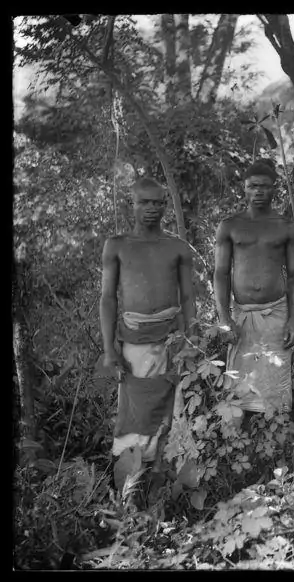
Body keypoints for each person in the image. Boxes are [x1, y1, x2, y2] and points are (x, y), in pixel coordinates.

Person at [100, 177, 196, 486]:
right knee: (136, 417)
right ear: (133, 204)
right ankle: (132, 488)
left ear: (166, 206)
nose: (152, 209)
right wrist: (109, 349)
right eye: (145, 202)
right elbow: (107, 298)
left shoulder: (177, 248)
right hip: (133, 346)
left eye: (158, 202)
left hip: (172, 342)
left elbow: (187, 298)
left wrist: (189, 340)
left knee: (171, 415)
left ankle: (164, 488)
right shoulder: (117, 246)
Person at [214, 159, 294, 419]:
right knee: (238, 389)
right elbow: (220, 273)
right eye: (253, 186)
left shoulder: (286, 226)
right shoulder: (230, 225)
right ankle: (237, 447)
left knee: (276, 386)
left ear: (275, 189)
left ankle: (276, 445)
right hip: (241, 315)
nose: (258, 192)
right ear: (244, 188)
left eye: (264, 186)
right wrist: (224, 319)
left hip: (276, 313)